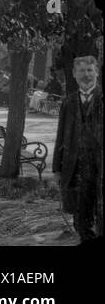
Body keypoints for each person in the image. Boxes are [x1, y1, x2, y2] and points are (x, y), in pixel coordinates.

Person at [53, 56, 103, 243]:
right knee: (80, 219)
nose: (86, 75)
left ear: (97, 73)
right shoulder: (68, 102)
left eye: (90, 70)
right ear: (74, 75)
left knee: (100, 215)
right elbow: (60, 136)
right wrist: (57, 168)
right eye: (81, 71)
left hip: (100, 169)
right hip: (75, 169)